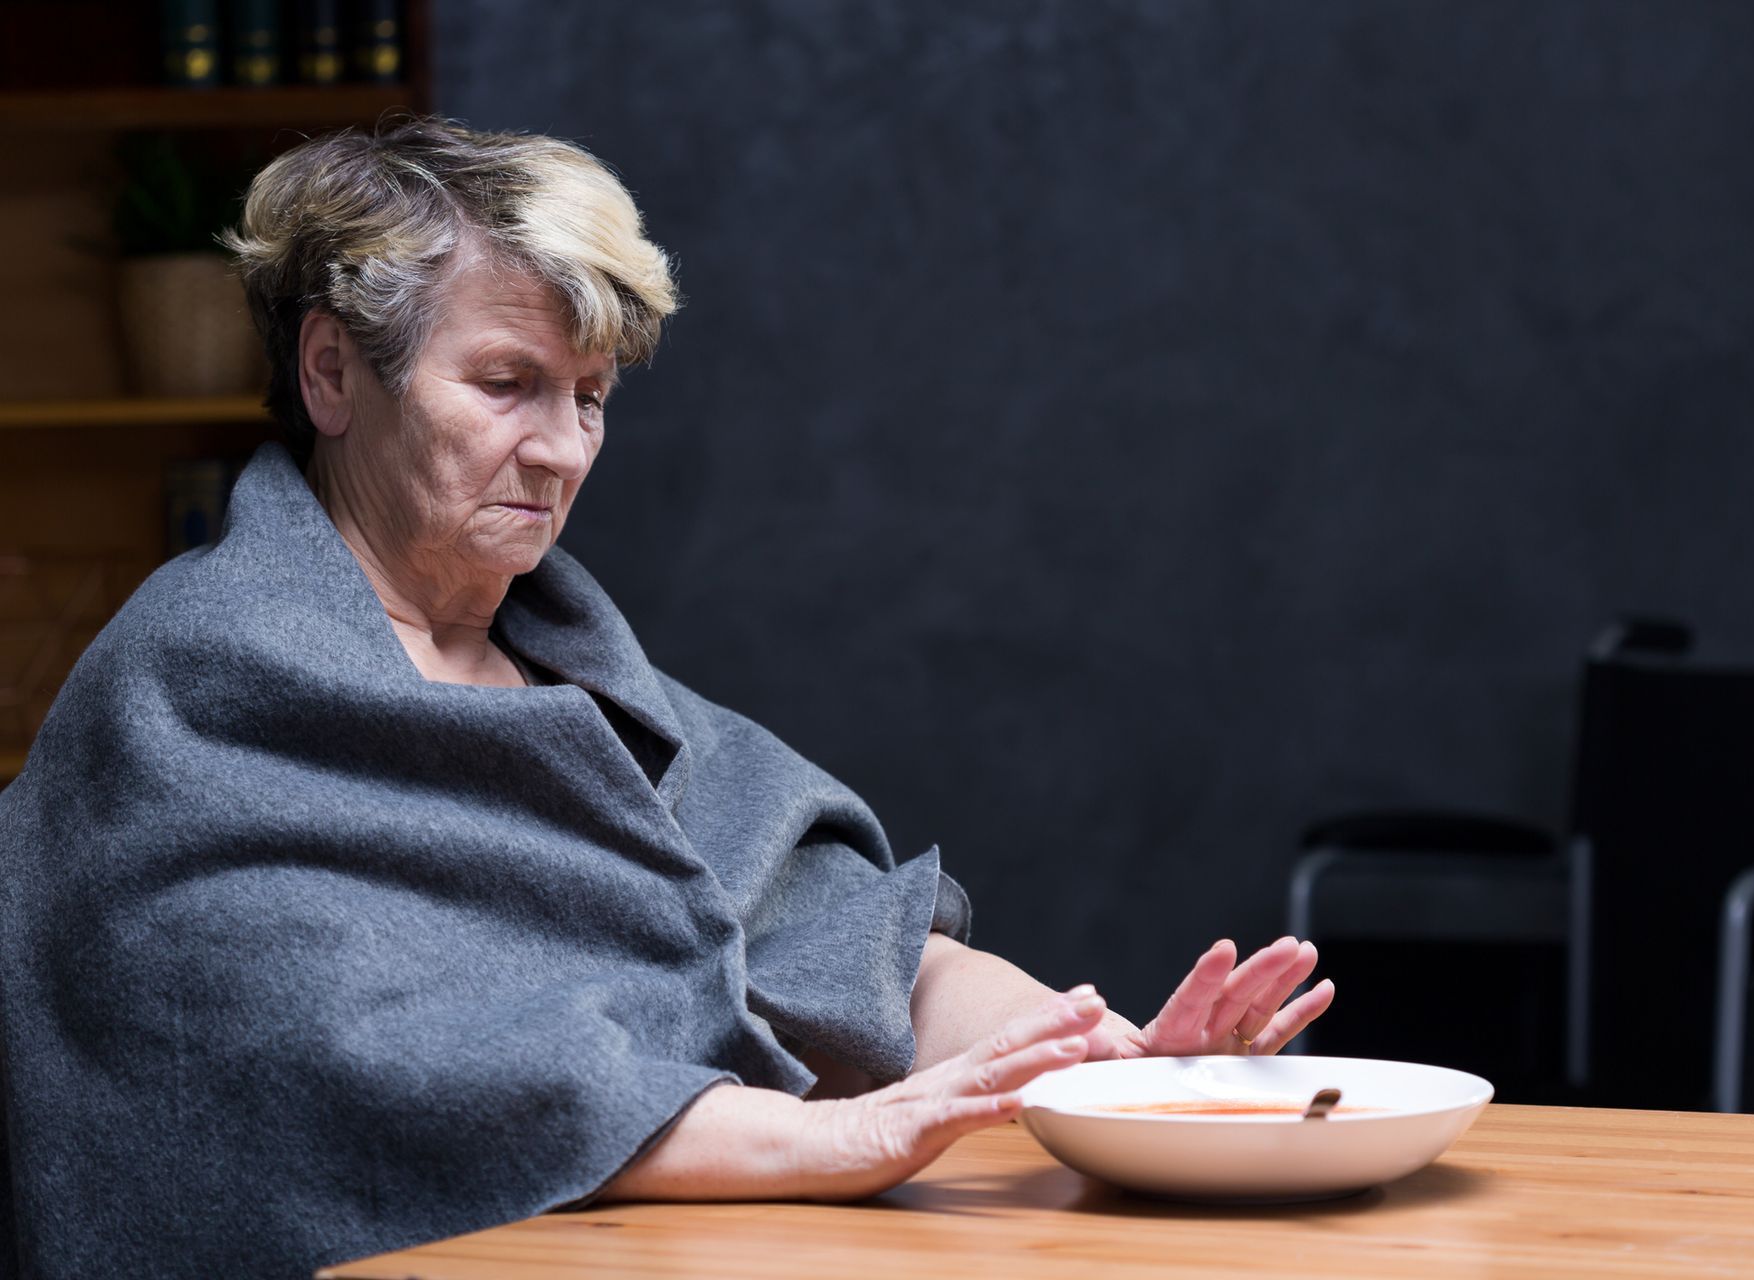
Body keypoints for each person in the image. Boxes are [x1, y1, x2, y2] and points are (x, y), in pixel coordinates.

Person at [0, 115, 1332, 1279]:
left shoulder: (588, 679)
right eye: (505, 384)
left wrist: (1099, 1067)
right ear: (334, 371)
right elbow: (348, 1068)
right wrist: (839, 1135)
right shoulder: (203, 689)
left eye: (589, 397)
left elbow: (860, 949)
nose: (563, 450)